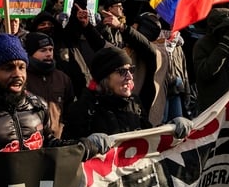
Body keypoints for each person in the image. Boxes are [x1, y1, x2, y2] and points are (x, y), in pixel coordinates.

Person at [0, 33, 112, 164]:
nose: (18, 75)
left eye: (21, 67)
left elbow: (48, 147)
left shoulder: (37, 106)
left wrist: (83, 145)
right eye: (8, 68)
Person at [62, 46, 193, 140]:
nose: (130, 77)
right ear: (104, 78)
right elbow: (67, 151)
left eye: (131, 70)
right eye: (122, 71)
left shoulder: (134, 103)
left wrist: (171, 128)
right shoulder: (83, 108)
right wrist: (86, 145)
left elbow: (148, 136)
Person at [24, 32, 74, 138]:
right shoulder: (22, 78)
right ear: (31, 53)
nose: (48, 54)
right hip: (32, 141)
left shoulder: (62, 78)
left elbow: (70, 110)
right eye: (43, 50)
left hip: (58, 140)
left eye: (50, 49)